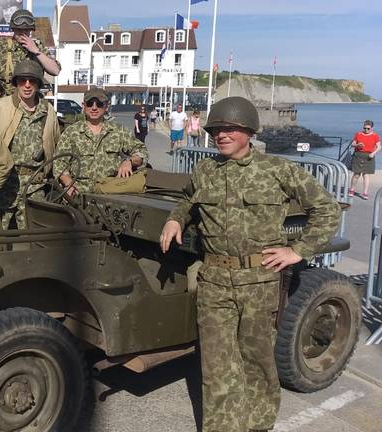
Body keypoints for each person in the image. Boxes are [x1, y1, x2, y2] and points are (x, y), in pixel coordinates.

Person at [159, 96, 340, 432]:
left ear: (249, 131)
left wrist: (298, 250)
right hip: (214, 281)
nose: (221, 135)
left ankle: (257, 426)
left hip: (259, 281)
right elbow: (186, 200)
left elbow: (326, 209)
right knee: (216, 364)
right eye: (216, 129)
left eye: (230, 128)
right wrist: (175, 220)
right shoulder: (204, 171)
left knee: (257, 361)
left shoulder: (278, 170)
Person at [0, 60, 60, 229]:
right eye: (22, 80)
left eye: (32, 81)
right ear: (16, 83)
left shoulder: (48, 111)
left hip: (35, 184)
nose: (27, 85)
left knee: (37, 235)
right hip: (5, 182)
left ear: (38, 84)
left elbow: (56, 144)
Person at [55, 88, 147, 195]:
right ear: (83, 105)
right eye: (90, 104)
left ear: (107, 106)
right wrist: (68, 184)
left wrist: (129, 162)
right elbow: (59, 163)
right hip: (79, 192)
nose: (94, 108)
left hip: (110, 191)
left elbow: (141, 151)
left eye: (99, 104)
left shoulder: (118, 131)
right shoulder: (71, 132)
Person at [0, 9, 61, 97]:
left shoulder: (38, 47)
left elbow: (55, 70)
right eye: (19, 30)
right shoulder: (1, 45)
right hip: (7, 102)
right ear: (13, 29)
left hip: (32, 104)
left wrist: (36, 52)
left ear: (30, 30)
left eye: (26, 30)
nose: (23, 33)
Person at [349, 120, 380, 200]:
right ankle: (352, 190)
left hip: (369, 156)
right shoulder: (358, 134)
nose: (366, 130)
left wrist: (374, 153)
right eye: (365, 128)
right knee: (356, 174)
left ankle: (365, 193)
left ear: (371, 128)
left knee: (366, 175)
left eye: (368, 128)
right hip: (358, 155)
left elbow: (379, 146)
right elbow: (352, 144)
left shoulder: (375, 136)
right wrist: (357, 145)